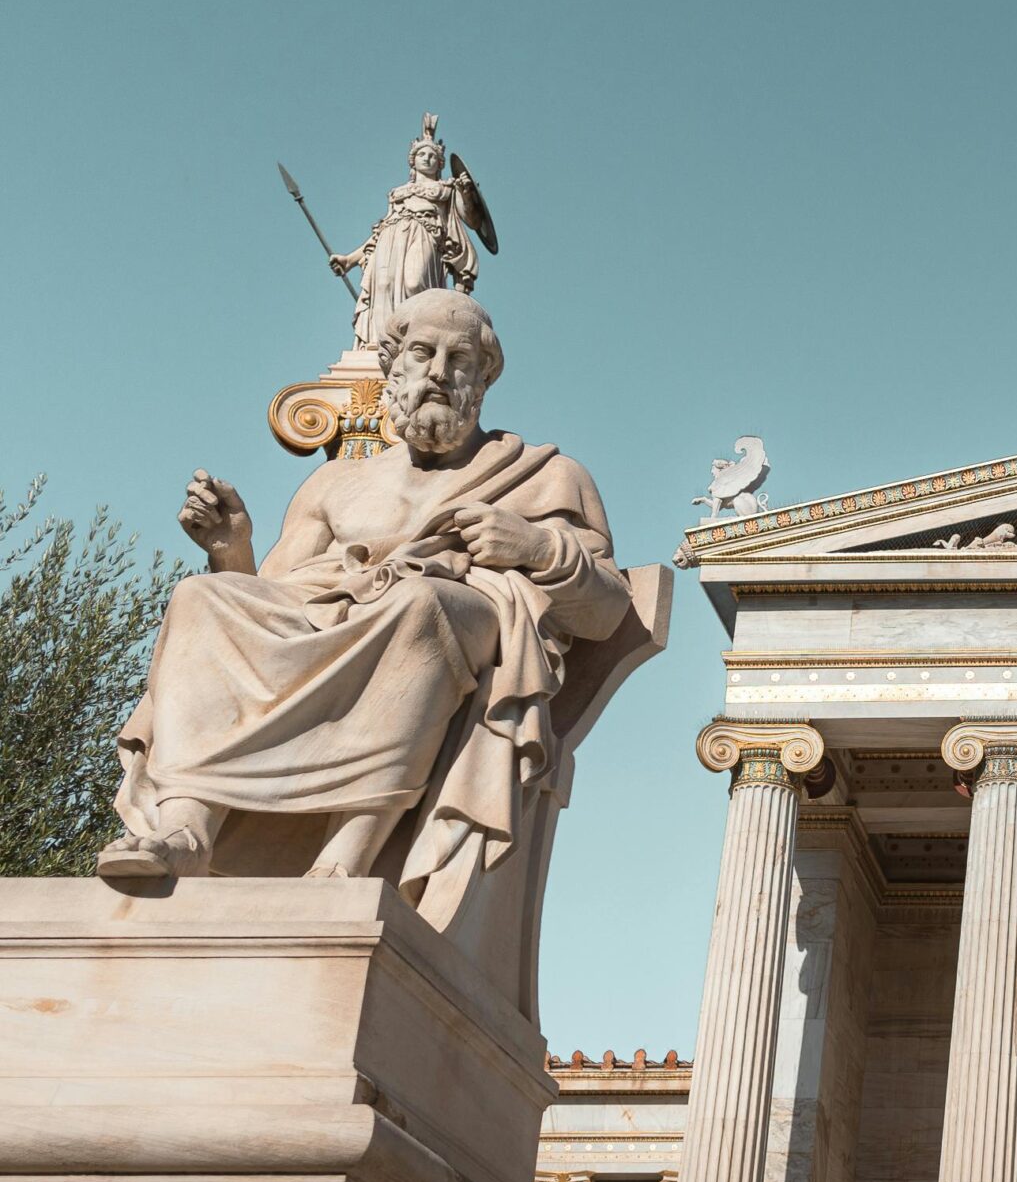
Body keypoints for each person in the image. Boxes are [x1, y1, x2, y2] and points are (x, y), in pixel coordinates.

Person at [103, 293, 631, 954]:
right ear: (393, 365)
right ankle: (184, 829)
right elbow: (272, 602)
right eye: (422, 352)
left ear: (483, 377)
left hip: (436, 630)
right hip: (337, 627)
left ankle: (346, 855)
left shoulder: (544, 475)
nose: (439, 370)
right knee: (198, 600)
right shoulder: (336, 486)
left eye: (459, 357)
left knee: (419, 604)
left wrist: (534, 547)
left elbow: (609, 607)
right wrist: (229, 550)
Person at [336, 115, 495, 347]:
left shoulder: (446, 188)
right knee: (383, 286)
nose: (427, 158)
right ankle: (381, 345)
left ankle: (416, 346)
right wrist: (350, 259)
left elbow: (471, 219)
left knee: (415, 283)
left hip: (425, 235)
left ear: (440, 163)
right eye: (422, 154)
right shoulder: (398, 192)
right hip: (391, 239)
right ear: (413, 161)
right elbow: (380, 232)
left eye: (432, 156)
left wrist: (468, 193)